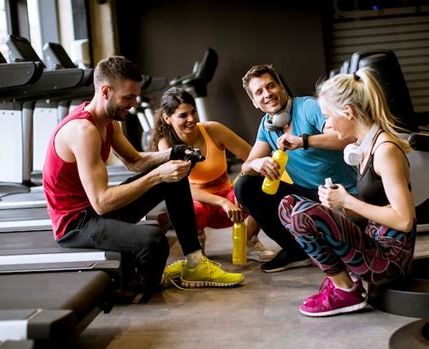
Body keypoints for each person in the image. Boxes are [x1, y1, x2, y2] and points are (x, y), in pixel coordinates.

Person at [43, 55, 244, 290]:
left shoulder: (109, 123)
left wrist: (175, 153)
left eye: (135, 97)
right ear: (105, 91)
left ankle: (195, 262)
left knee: (175, 172)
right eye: (128, 97)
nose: (134, 103)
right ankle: (145, 284)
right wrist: (158, 175)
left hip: (97, 212)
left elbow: (135, 161)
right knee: (153, 240)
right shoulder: (83, 131)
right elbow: (102, 203)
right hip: (77, 225)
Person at [278, 68, 416, 317]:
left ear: (348, 112)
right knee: (288, 205)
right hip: (374, 244)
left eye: (327, 117)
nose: (327, 124)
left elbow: (404, 220)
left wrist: (348, 200)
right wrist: (339, 208)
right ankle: (340, 283)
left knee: (302, 215)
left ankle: (346, 292)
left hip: (390, 262)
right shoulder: (365, 147)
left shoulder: (385, 151)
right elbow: (376, 208)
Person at [234, 64, 357, 273]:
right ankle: (295, 251)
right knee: (244, 185)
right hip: (307, 196)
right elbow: (246, 167)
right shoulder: (267, 126)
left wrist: (303, 141)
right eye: (259, 92)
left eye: (270, 86)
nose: (267, 94)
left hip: (340, 194)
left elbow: (345, 137)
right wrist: (256, 163)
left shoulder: (308, 107)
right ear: (254, 102)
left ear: (281, 87)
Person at [151, 87, 275, 262]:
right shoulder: (166, 144)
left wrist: (240, 187)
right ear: (167, 118)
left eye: (193, 112)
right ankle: (197, 249)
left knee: (260, 180)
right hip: (201, 205)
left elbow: (253, 158)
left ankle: (250, 241)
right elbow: (182, 187)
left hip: (231, 202)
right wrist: (221, 201)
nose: (191, 119)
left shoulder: (213, 130)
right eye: (183, 115)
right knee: (189, 207)